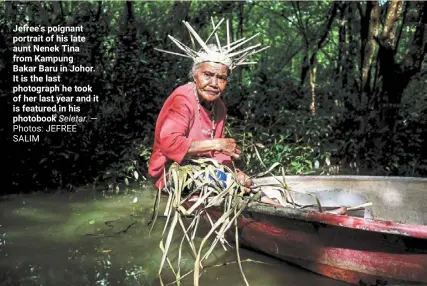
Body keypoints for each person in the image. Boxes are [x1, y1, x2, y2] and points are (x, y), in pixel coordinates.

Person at [148, 19, 281, 207]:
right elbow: (170, 145)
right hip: (172, 174)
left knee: (247, 183)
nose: (213, 83)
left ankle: (283, 208)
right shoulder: (182, 98)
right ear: (195, 76)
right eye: (207, 75)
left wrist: (234, 170)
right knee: (231, 185)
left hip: (204, 169)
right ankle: (273, 207)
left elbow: (214, 155)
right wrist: (218, 144)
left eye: (221, 78)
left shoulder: (219, 107)